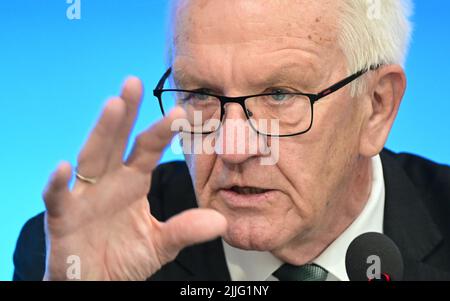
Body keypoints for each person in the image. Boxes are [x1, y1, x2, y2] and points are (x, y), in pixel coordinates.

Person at [13, 0, 450, 281]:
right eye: (202, 94)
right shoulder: (70, 254)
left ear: (376, 106)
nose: (233, 147)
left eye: (280, 95)